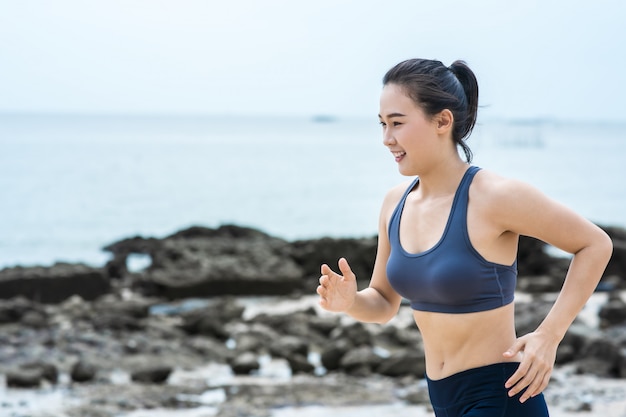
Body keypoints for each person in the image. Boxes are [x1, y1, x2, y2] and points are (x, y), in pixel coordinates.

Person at [316, 58, 613, 417]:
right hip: (442, 399)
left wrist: (548, 336)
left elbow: (594, 244)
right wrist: (349, 302)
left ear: (442, 121)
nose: (386, 139)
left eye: (397, 123)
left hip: (499, 396)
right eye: (382, 124)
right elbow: (382, 303)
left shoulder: (495, 196)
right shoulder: (395, 203)